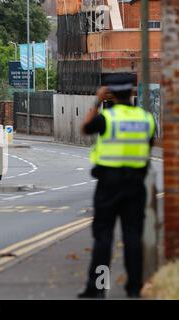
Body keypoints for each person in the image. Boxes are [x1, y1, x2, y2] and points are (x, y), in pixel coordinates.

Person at [78, 74, 155, 299]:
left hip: (108, 185)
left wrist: (96, 102)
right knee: (132, 236)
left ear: (110, 93)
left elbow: (85, 128)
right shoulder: (146, 119)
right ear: (132, 92)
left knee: (104, 238)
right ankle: (134, 288)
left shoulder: (107, 118)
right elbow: (148, 148)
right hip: (135, 184)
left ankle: (99, 287)